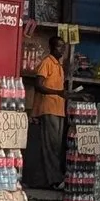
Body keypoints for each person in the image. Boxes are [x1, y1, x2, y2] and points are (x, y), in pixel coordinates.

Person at [23, 37, 67, 191]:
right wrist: (57, 93)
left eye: (63, 47)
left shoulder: (59, 66)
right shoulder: (47, 62)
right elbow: (38, 85)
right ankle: (55, 180)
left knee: (55, 146)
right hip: (48, 108)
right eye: (59, 47)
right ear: (52, 47)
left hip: (58, 109)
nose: (62, 50)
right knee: (51, 146)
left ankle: (49, 179)